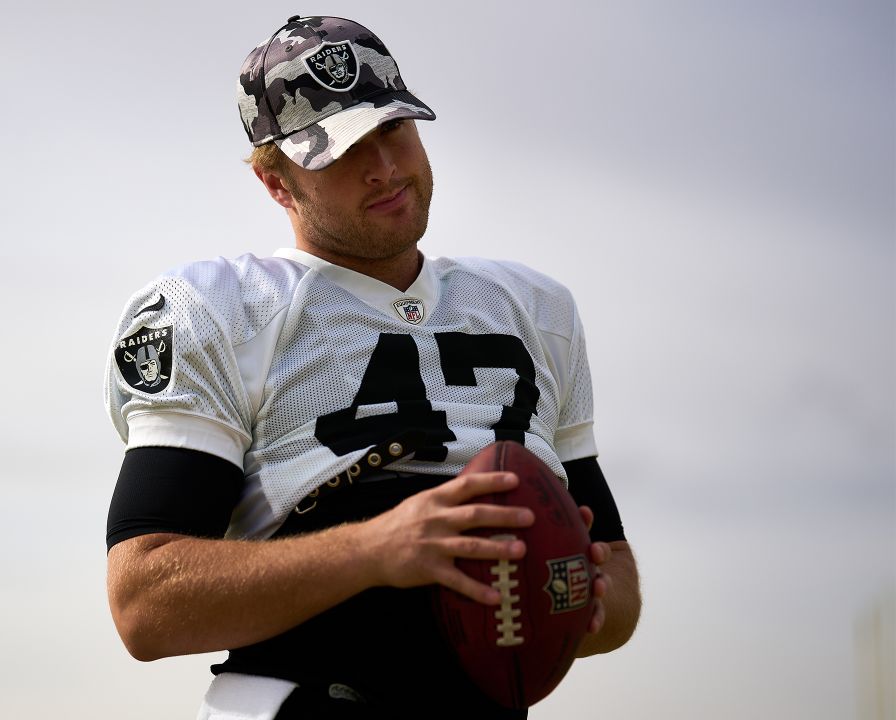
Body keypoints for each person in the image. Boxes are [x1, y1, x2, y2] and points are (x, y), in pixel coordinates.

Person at [104, 15, 641, 719]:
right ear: (276, 183)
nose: (384, 168)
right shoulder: (220, 307)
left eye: (393, 129)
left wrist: (569, 596)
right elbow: (145, 604)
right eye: (338, 152)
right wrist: (377, 550)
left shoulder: (532, 308)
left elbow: (621, 591)